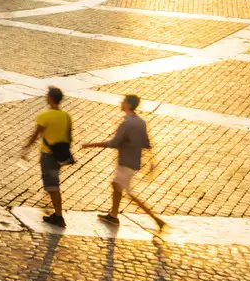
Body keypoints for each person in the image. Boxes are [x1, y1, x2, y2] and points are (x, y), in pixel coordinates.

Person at [81, 93, 166, 229]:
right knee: (117, 186)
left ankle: (156, 219)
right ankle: (113, 215)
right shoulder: (141, 122)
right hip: (133, 162)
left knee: (127, 192)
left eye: (123, 101)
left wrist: (90, 145)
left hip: (126, 162)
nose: (121, 103)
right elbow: (146, 143)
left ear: (128, 105)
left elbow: (114, 143)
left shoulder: (126, 124)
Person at [21, 86, 74, 226]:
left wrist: (26, 148)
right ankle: (56, 213)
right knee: (53, 184)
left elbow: (35, 135)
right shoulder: (66, 116)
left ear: (50, 98)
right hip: (60, 155)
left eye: (47, 95)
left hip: (48, 155)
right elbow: (69, 137)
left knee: (53, 187)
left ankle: (59, 216)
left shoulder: (44, 117)